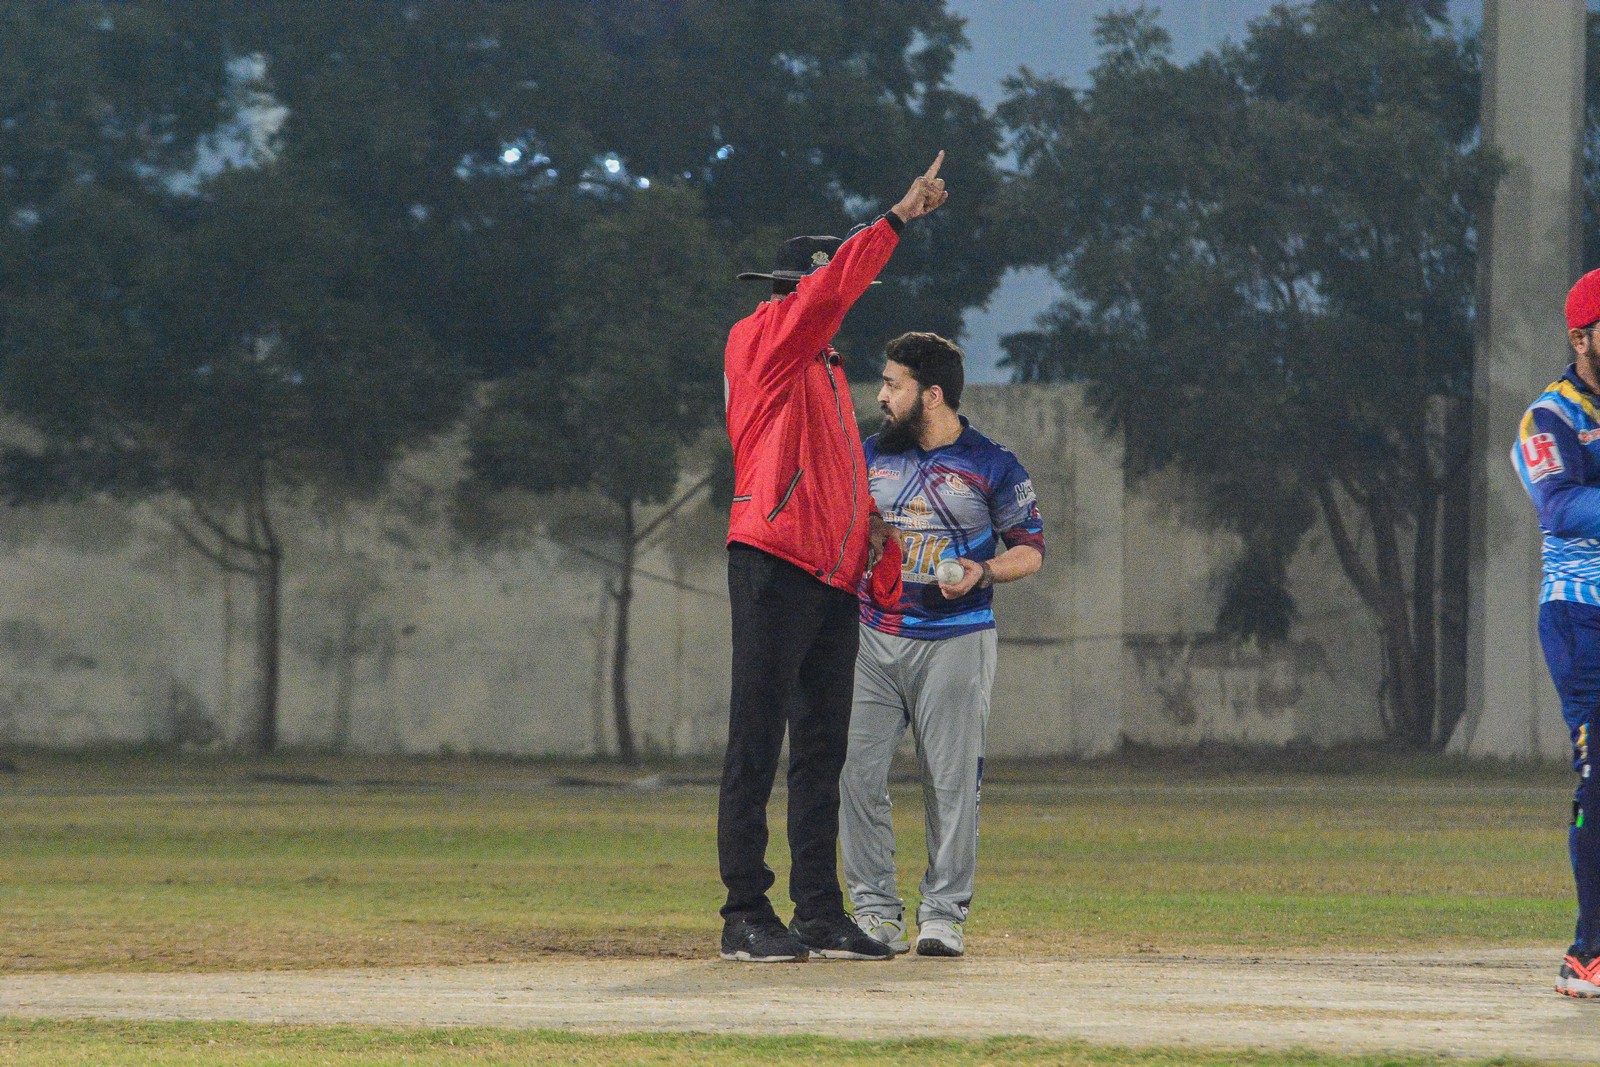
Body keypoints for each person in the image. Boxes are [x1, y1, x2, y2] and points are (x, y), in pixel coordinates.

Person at [717, 154, 949, 963]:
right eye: (830, 289)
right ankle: (745, 911)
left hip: (826, 572)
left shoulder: (820, 362)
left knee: (822, 750)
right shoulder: (765, 336)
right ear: (799, 289)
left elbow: (832, 467)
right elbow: (826, 295)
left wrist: (866, 527)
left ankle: (817, 909)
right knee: (757, 739)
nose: (842, 305)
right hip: (775, 560)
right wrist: (896, 218)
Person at [839, 331, 1044, 958]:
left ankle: (944, 914)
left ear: (931, 395)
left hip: (956, 639)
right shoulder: (869, 455)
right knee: (854, 775)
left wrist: (983, 572)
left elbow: (1031, 551)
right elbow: (847, 526)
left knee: (952, 782)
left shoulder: (993, 463)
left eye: (892, 384)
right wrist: (869, 530)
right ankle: (875, 913)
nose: (880, 396)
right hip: (872, 636)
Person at [1515, 266, 1600, 998]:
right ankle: (1588, 953)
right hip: (1580, 614)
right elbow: (1560, 507)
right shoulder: (1549, 417)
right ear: (1582, 337)